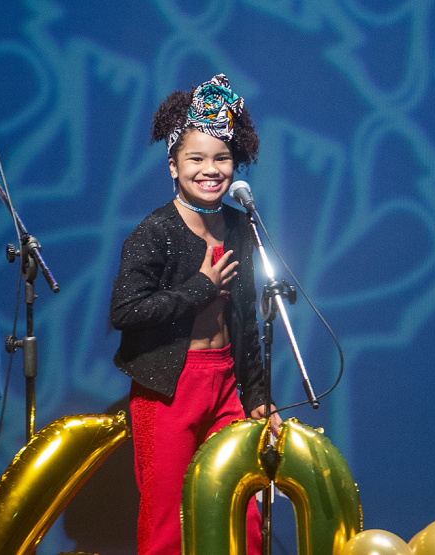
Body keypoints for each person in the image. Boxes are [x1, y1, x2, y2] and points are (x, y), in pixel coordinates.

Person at [110, 74, 282, 555]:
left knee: (243, 513)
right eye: (196, 158)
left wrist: (258, 395)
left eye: (221, 158)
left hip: (225, 381)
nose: (211, 169)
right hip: (170, 387)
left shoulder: (238, 225)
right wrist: (199, 289)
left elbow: (246, 319)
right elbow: (126, 309)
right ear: (173, 165)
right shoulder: (154, 231)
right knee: (166, 522)